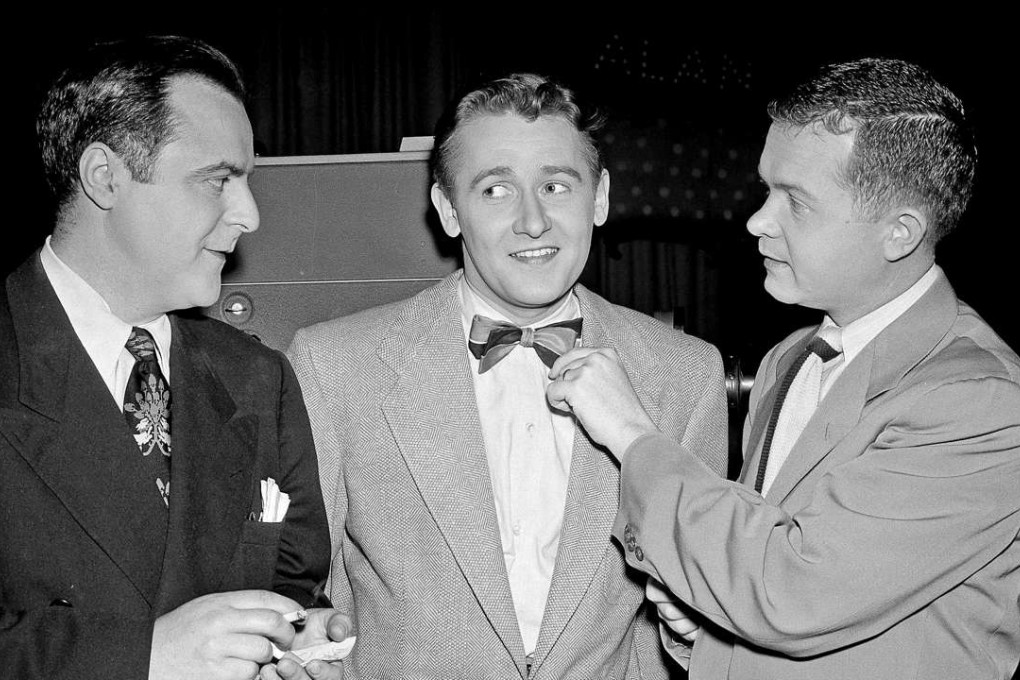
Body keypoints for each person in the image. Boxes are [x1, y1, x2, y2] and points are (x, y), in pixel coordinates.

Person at [547, 57, 1020, 679]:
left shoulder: (980, 401)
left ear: (899, 232)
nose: (757, 220)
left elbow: (788, 592)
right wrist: (705, 626)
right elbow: (755, 566)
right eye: (767, 189)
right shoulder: (790, 358)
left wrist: (631, 432)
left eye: (794, 202)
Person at [286, 73, 729, 679]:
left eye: (555, 185)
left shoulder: (686, 374)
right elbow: (306, 593)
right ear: (448, 210)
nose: (534, 221)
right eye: (496, 189)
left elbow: (692, 612)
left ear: (598, 198)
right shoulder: (335, 366)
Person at [0, 35, 351, 680]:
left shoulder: (258, 377)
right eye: (219, 180)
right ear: (105, 177)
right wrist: (142, 658)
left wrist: (294, 640)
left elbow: (295, 580)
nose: (248, 214)